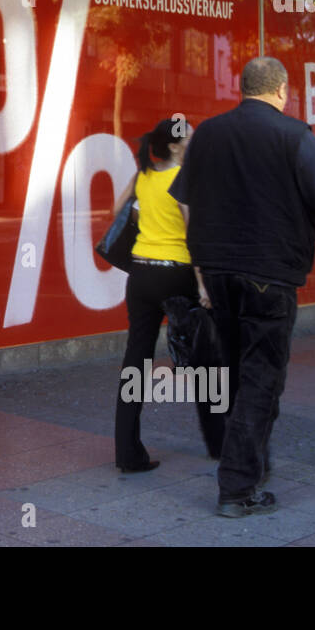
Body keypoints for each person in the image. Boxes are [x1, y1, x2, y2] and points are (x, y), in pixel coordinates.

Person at [169, 57, 315, 518]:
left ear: (243, 88)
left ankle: (252, 459)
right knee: (261, 377)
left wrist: (199, 272)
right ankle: (237, 488)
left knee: (235, 371)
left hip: (219, 273)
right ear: (283, 90)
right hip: (270, 274)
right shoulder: (295, 136)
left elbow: (183, 199)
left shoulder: (207, 134)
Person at [112, 118, 225, 473]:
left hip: (141, 274)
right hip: (178, 275)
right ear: (175, 146)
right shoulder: (183, 179)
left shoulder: (144, 176)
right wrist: (204, 285)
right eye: (188, 139)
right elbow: (193, 236)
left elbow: (117, 210)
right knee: (206, 359)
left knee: (137, 360)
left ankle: (127, 453)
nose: (193, 143)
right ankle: (219, 444)